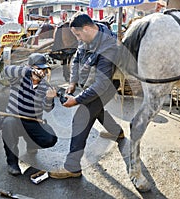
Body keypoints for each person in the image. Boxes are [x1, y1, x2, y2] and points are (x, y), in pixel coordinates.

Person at [49, 13, 124, 179]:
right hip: (91, 83)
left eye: (78, 35)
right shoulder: (87, 37)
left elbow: (101, 85)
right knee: (96, 111)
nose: (78, 39)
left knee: (81, 119)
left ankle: (72, 167)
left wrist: (76, 99)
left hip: (106, 87)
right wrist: (72, 82)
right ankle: (117, 132)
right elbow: (76, 59)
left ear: (88, 28)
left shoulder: (108, 48)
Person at [0, 53, 58, 176]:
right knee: (9, 124)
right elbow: (7, 70)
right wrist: (28, 70)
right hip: (14, 119)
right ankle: (12, 163)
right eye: (38, 68)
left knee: (50, 139)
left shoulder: (45, 86)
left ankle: (31, 144)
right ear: (30, 67)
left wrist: (49, 98)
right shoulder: (19, 78)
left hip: (33, 122)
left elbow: (47, 109)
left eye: (43, 69)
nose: (42, 72)